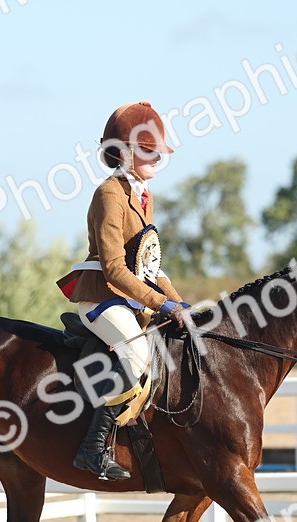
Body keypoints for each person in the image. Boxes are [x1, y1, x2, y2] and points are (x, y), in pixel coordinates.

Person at [56, 101, 189, 479]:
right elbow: (114, 267)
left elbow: (149, 264)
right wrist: (162, 305)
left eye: (158, 151)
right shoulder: (109, 194)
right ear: (124, 152)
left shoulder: (144, 195)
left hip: (129, 296)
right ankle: (92, 448)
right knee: (136, 357)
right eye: (148, 151)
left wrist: (180, 304)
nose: (156, 158)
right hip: (102, 297)